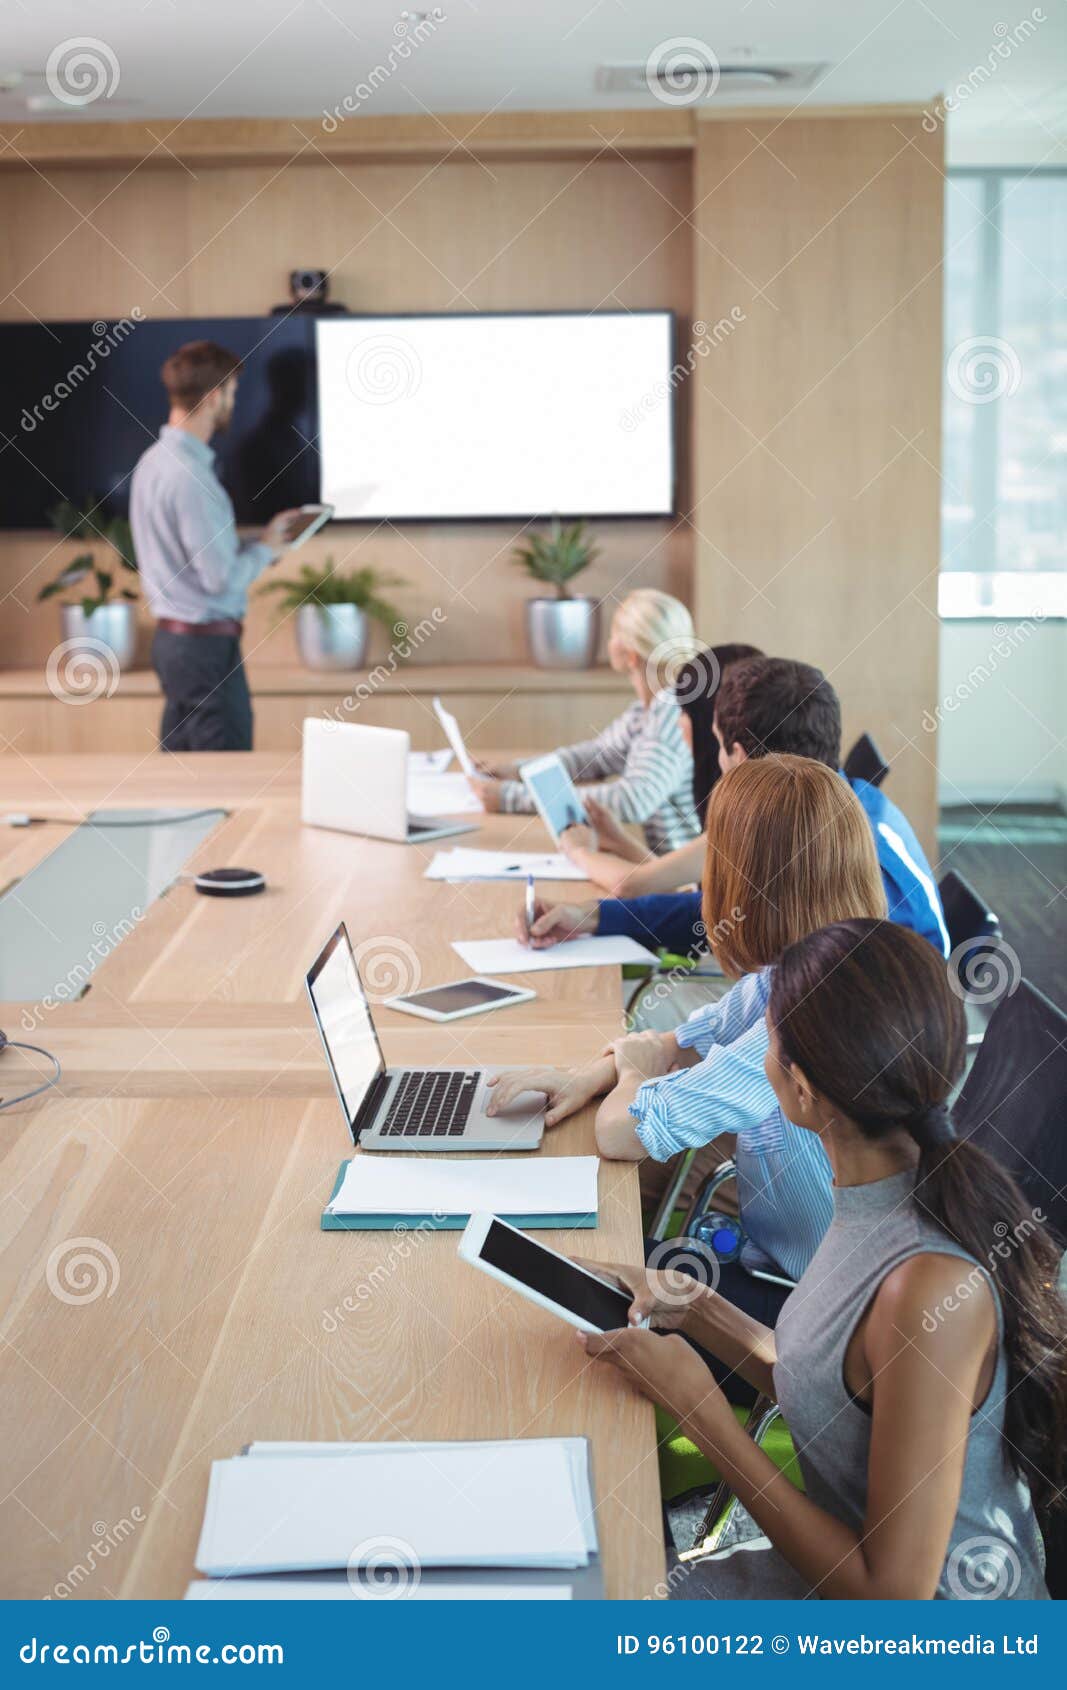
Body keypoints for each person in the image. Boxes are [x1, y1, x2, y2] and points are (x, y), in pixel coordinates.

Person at [576, 920, 1061, 1600]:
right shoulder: (876, 1193)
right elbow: (841, 1394)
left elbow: (891, 1597)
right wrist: (699, 1307)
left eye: (763, 1044)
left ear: (800, 1091)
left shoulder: (927, 1285)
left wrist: (698, 1410)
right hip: (849, 1578)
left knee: (598, 1601)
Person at [488, 757, 888, 1361]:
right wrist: (588, 1074)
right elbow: (681, 1042)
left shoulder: (802, 1018)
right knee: (571, 1255)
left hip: (814, 1325)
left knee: (561, 1280)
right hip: (796, 1273)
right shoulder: (807, 970)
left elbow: (620, 1131)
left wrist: (630, 1074)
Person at [529, 656, 949, 956]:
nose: (716, 762)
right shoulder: (842, 803)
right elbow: (725, 913)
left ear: (740, 755)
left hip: (875, 1048)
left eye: (717, 745)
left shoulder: (816, 849)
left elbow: (728, 924)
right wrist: (596, 916)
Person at [129, 340, 304, 751]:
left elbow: (192, 551)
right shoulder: (192, 477)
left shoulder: (152, 462)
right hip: (205, 650)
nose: (233, 404)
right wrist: (268, 552)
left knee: (181, 778)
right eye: (232, 394)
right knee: (225, 779)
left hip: (174, 645)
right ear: (212, 398)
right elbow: (219, 580)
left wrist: (259, 540)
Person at [469, 589, 703, 856]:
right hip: (654, 865)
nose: (609, 641)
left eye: (614, 634)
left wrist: (513, 798)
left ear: (631, 656)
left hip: (674, 882)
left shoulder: (672, 712)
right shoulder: (648, 710)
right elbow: (594, 757)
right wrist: (519, 772)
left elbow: (632, 801)